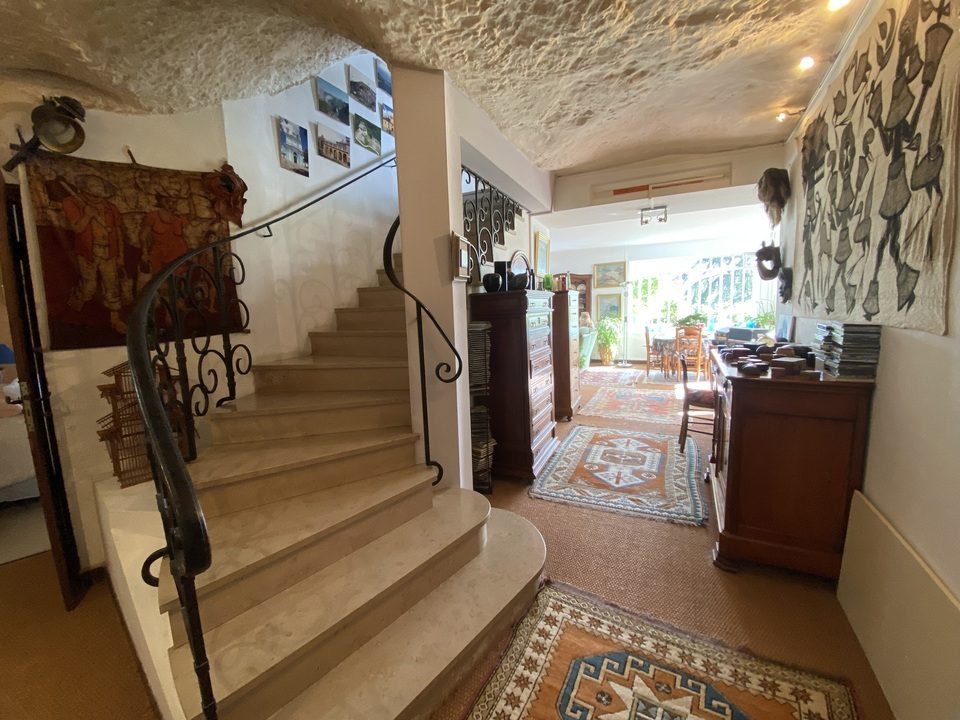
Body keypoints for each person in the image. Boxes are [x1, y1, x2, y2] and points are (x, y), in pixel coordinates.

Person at [62, 174, 127, 334]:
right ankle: (73, 312)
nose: (97, 199)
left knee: (112, 285)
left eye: (100, 195)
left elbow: (117, 232)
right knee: (88, 287)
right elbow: (77, 228)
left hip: (109, 252)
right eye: (93, 195)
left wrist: (120, 255)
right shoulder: (72, 203)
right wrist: (87, 215)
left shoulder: (111, 208)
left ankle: (115, 320)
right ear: (83, 192)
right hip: (87, 252)